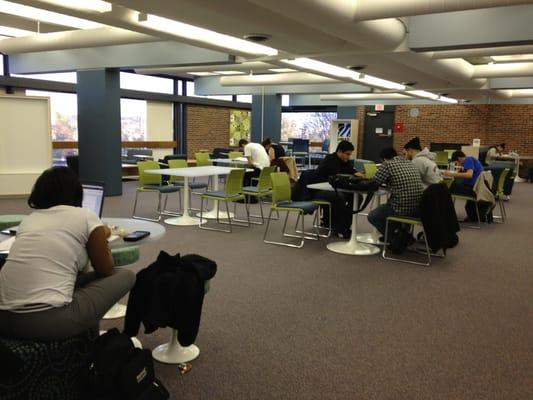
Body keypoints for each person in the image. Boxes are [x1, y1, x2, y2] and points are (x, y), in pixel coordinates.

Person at [0, 167, 135, 341]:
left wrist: (102, 233)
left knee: (74, 277)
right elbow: (105, 270)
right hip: (45, 321)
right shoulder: (84, 215)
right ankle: (90, 342)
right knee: (126, 275)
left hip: (3, 318)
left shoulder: (29, 220)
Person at [366, 147, 424, 236]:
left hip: (401, 209)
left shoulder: (388, 164)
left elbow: (375, 183)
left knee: (373, 216)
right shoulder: (410, 163)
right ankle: (401, 234)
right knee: (387, 206)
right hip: (417, 209)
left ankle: (397, 238)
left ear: (384, 159)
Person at [314, 140, 356, 238]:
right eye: (347, 154)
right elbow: (337, 176)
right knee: (340, 197)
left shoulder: (345, 161)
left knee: (356, 197)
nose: (349, 157)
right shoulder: (330, 160)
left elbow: (350, 171)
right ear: (340, 151)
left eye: (350, 154)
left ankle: (345, 225)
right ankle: (339, 228)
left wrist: (356, 173)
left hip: (333, 189)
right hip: (319, 190)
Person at [443, 150, 486, 221]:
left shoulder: (468, 160)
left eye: (456, 163)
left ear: (459, 158)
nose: (458, 165)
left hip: (472, 189)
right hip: (475, 188)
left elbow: (469, 175)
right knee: (450, 186)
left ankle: (446, 214)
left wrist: (451, 174)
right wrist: (457, 173)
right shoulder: (471, 159)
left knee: (445, 188)